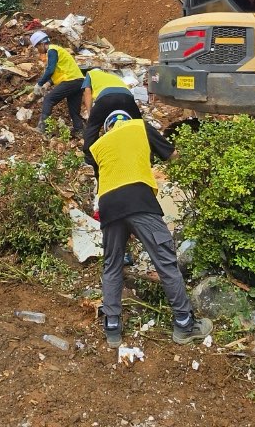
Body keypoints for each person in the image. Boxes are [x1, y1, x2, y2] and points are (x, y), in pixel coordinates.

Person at [86, 110, 212, 348]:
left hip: (109, 206)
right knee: (165, 261)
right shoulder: (140, 127)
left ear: (108, 128)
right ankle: (184, 324)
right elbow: (173, 156)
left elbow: (103, 179)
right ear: (126, 120)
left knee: (112, 265)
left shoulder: (98, 145)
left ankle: (112, 327)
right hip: (139, 201)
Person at [30, 30, 85, 137]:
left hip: (71, 80)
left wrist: (40, 83)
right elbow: (59, 72)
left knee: (49, 99)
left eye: (37, 47)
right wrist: (48, 83)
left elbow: (50, 70)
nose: (38, 50)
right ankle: (79, 130)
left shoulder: (52, 50)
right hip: (79, 81)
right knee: (73, 108)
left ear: (41, 44)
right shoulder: (57, 50)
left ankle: (43, 128)